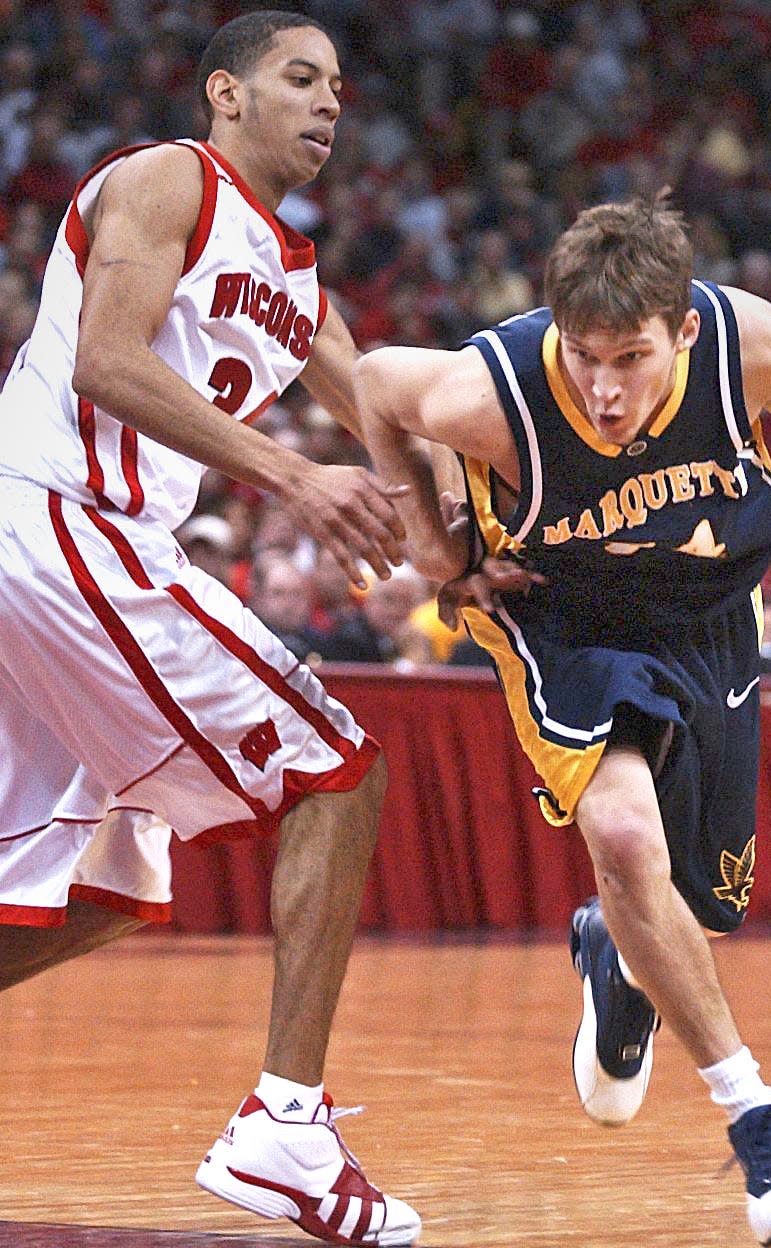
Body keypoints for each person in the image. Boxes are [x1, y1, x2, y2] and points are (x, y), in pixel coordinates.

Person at [353, 195, 771, 1245]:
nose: (601, 389)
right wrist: (431, 537)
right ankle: (761, 1127)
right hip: (567, 621)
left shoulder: (744, 344)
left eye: (628, 358)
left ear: (683, 330)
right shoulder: (494, 398)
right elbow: (373, 381)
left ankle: (619, 954)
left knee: (703, 910)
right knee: (627, 836)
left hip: (710, 620)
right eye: (582, 356)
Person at [0, 12, 422, 1246]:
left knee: (107, 885)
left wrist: (487, 532)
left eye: (338, 85)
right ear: (225, 93)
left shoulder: (296, 282)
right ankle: (282, 1131)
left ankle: (282, 1129)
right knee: (336, 772)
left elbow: (391, 429)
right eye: (300, 77)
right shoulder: (167, 177)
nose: (327, 102)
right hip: (61, 517)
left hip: (64, 554)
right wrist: (295, 480)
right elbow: (107, 365)